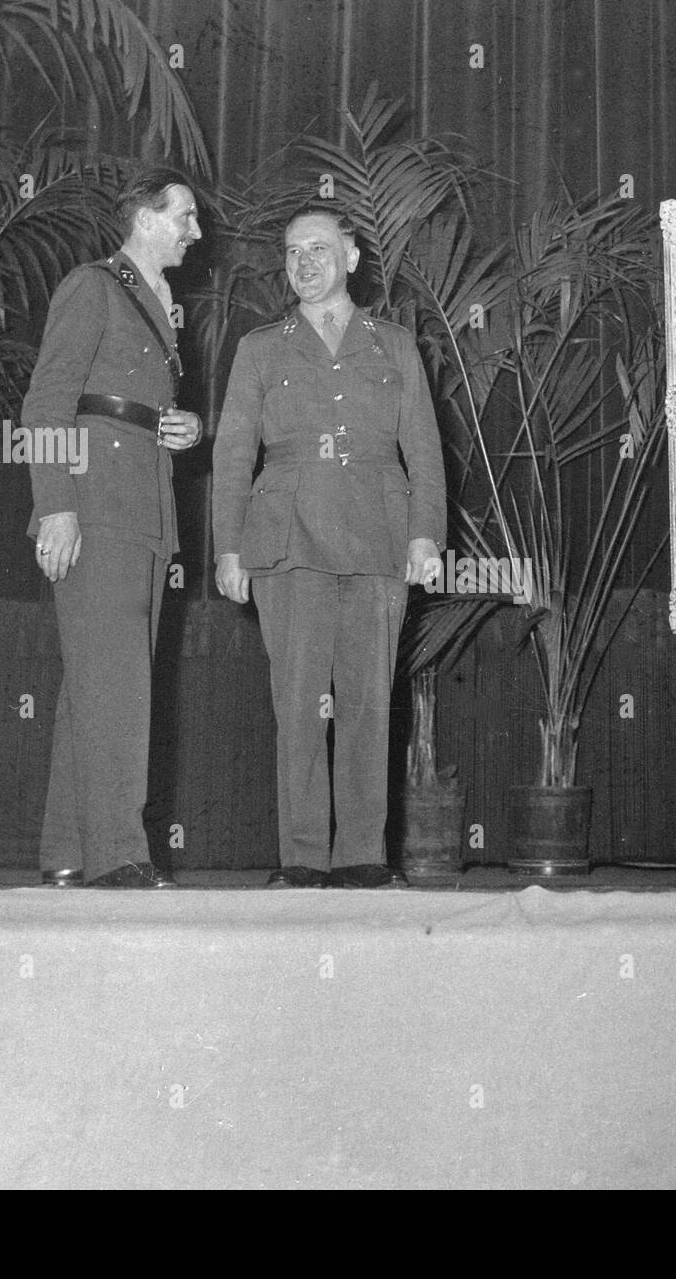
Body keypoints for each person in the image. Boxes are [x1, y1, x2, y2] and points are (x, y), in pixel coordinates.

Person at [212, 207, 447, 889]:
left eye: (318, 249)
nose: (304, 263)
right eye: (291, 252)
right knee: (299, 702)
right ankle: (304, 856)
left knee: (369, 702)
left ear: (351, 257)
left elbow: (425, 451)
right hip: (287, 543)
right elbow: (232, 456)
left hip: (379, 537)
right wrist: (229, 548)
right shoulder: (260, 347)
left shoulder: (395, 345)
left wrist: (425, 534)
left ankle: (363, 856)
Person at [23, 167, 203, 888]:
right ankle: (119, 854)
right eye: (185, 216)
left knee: (95, 687)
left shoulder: (159, 301)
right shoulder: (94, 286)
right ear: (145, 218)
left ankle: (68, 850)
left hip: (144, 510)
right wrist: (57, 506)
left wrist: (175, 427)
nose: (196, 231)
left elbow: (123, 405)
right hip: (96, 508)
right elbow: (45, 404)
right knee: (119, 686)